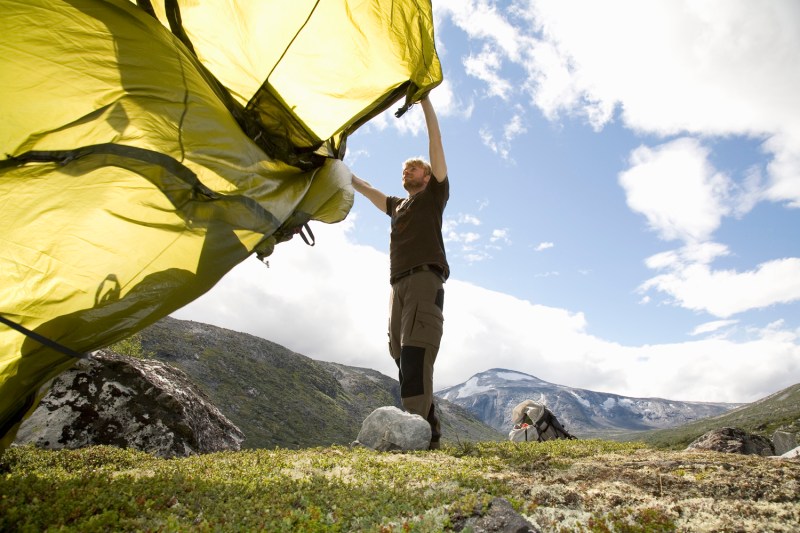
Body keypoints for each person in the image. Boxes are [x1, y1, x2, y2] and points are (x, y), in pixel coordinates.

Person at [351, 95, 449, 449]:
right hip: (398, 283)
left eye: (413, 168)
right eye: (404, 169)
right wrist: (341, 172)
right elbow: (367, 190)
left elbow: (435, 145)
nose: (407, 171)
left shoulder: (434, 194)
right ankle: (429, 427)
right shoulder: (398, 206)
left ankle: (416, 437)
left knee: (416, 351)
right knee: (399, 351)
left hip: (425, 278)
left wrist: (424, 103)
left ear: (426, 176)